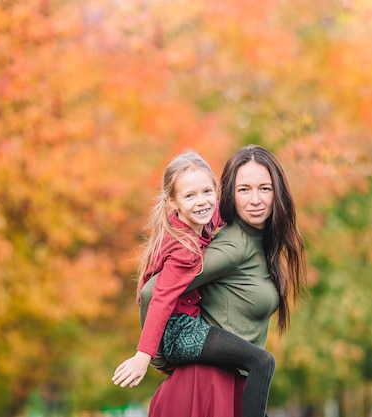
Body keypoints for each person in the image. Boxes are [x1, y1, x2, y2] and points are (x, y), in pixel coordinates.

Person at [139, 144, 307, 416]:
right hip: (203, 389)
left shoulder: (258, 240)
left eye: (264, 188)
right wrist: (157, 355)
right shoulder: (233, 246)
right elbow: (152, 292)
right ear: (231, 194)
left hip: (232, 387)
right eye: (244, 190)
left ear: (278, 191)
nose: (255, 199)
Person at [111, 150, 278, 417]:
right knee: (262, 361)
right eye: (190, 196)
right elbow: (157, 296)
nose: (201, 202)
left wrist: (249, 197)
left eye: (206, 192)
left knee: (260, 362)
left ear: (216, 191)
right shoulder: (184, 251)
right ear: (173, 202)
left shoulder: (207, 219)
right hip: (182, 330)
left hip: (192, 324)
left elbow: (229, 211)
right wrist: (145, 356)